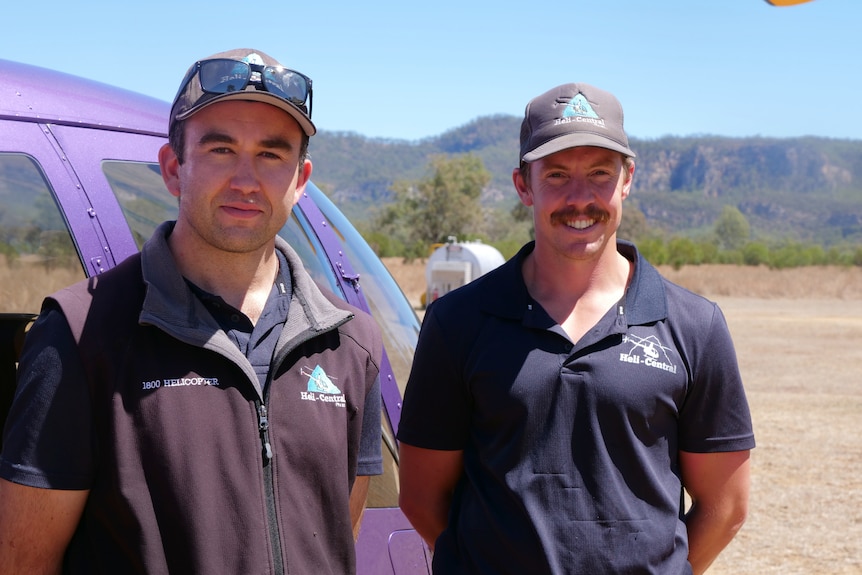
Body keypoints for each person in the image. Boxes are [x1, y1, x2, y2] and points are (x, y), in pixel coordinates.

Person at [0, 48, 383, 575]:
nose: (246, 180)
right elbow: (25, 562)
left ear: (300, 179)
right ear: (174, 168)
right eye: (221, 149)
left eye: (272, 155)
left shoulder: (350, 343)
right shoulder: (80, 333)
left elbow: (337, 535)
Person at [396, 83, 755, 574]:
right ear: (524, 185)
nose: (580, 198)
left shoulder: (694, 325)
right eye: (558, 174)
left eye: (600, 174)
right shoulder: (457, 322)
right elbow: (421, 498)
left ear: (627, 179)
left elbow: (726, 507)